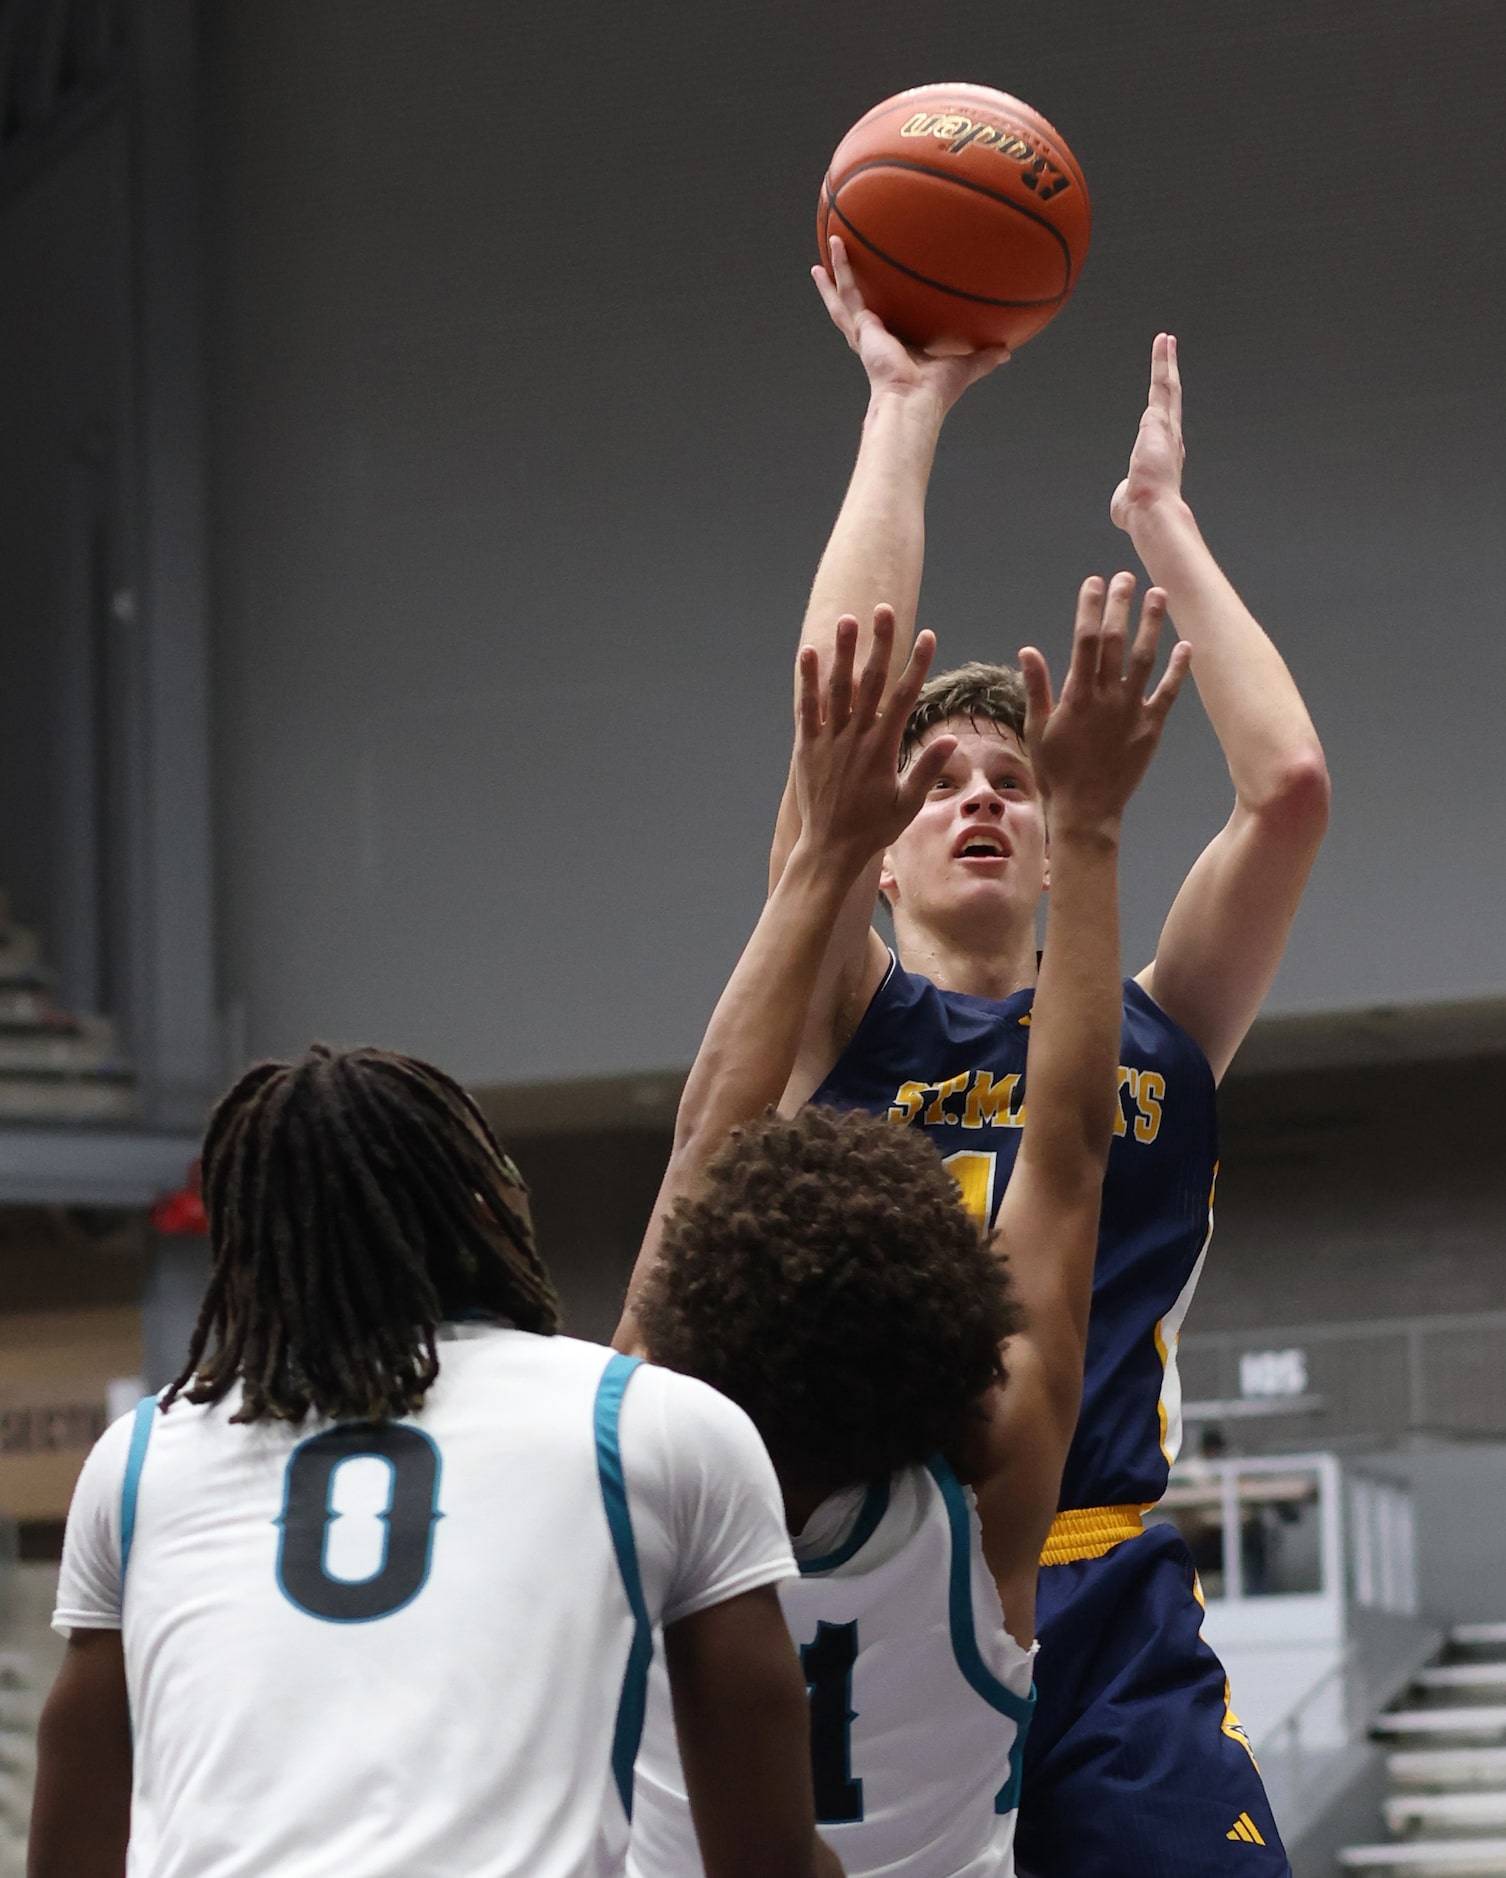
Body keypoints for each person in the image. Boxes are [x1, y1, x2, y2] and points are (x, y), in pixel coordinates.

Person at [766, 236, 1331, 1874]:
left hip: (1107, 1591)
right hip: (877, 1585)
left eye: (1007, 771)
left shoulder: (1160, 1021)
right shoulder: (845, 1018)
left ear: (1061, 808)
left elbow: (1284, 788)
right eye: (933, 776)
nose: (977, 793)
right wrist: (899, 411)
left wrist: (1161, 526)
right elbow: (831, 720)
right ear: (874, 847)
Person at [615, 583, 1187, 1876]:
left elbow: (707, 1133)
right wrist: (1090, 829)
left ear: (692, 1346)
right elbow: (1070, 1155)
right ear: (958, 1337)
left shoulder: (631, 1482)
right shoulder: (988, 1531)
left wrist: (820, 853)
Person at [30, 1047, 840, 1878]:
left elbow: (71, 1854)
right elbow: (764, 1859)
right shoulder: (655, 1421)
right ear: (484, 1206)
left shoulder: (137, 1458)